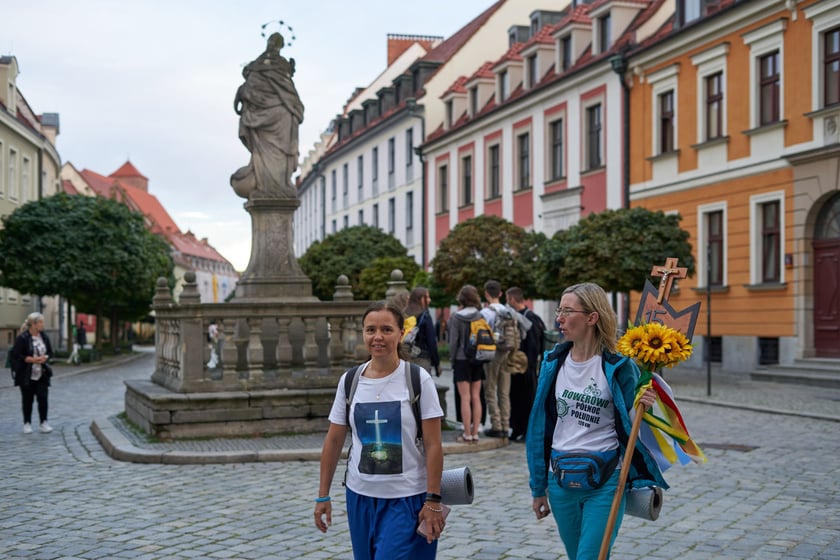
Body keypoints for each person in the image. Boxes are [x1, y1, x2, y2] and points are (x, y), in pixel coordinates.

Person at [526, 283, 665, 560]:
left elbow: (635, 420)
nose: (559, 318)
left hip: (607, 480)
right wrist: (538, 487)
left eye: (568, 311)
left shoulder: (619, 366)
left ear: (592, 317)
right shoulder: (552, 363)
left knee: (590, 557)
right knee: (576, 554)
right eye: (559, 310)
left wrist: (644, 404)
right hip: (561, 480)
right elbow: (538, 428)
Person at [315, 300, 445, 559]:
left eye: (386, 329)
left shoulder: (418, 380)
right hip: (360, 496)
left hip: (406, 498)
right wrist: (322, 496)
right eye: (370, 330)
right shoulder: (350, 381)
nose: (378, 337)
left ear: (401, 333)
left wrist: (433, 500)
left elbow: (433, 445)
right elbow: (333, 441)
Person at [231, 32, 304, 200]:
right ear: (281, 46)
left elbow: (247, 92)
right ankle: (277, 184)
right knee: (277, 150)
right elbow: (291, 98)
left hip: (277, 115)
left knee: (268, 151)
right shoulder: (279, 68)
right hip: (284, 112)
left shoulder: (256, 67)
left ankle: (272, 184)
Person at [506, 286, 546, 442]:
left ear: (512, 299)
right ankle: (516, 429)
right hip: (517, 367)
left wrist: (529, 364)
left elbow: (535, 345)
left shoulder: (530, 318)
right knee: (515, 400)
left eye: (508, 299)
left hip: (526, 368)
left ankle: (527, 431)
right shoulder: (518, 317)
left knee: (527, 400)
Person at [447, 285, 486, 444]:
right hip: (477, 359)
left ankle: (467, 433)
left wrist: (452, 358)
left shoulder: (456, 317)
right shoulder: (479, 315)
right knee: (476, 396)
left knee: (465, 397)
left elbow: (453, 342)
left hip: (462, 360)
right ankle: (476, 432)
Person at [480, 280, 517, 439]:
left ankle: (496, 425)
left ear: (486, 294)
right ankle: (506, 425)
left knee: (490, 389)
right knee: (504, 391)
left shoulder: (486, 312)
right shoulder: (509, 311)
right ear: (501, 293)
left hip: (492, 353)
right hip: (507, 352)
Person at [10, 312, 54, 434]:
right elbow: (16, 354)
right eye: (41, 322)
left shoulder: (44, 337)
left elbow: (50, 352)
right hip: (26, 374)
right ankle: (27, 423)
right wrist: (29, 359)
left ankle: (43, 422)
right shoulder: (23, 338)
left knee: (43, 398)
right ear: (33, 324)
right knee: (27, 399)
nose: (43, 325)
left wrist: (45, 357)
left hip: (42, 372)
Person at [403, 287, 441, 377]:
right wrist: (437, 363)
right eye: (427, 297)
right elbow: (431, 342)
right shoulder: (425, 316)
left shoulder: (404, 313)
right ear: (420, 299)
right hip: (422, 359)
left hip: (405, 358)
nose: (429, 300)